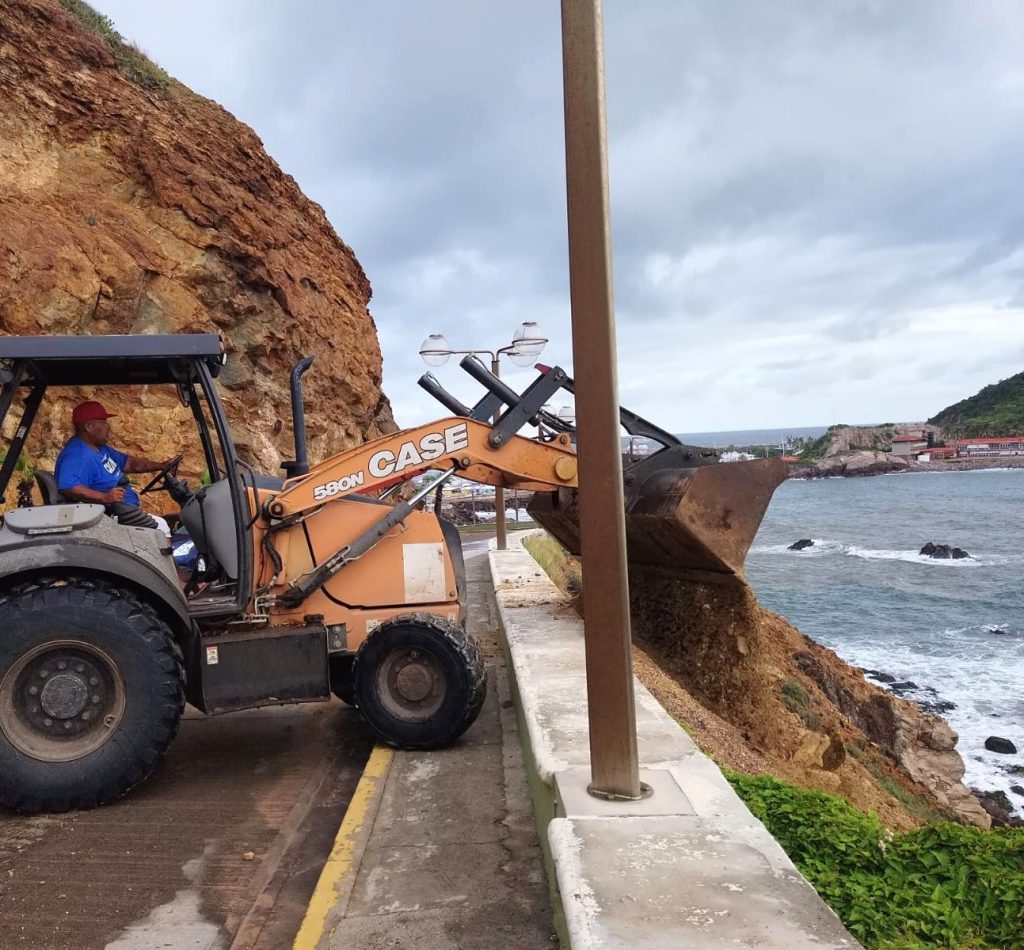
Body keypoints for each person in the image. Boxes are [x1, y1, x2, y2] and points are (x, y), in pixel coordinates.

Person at [55, 401, 177, 535]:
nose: (108, 427)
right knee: (162, 527)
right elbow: (69, 487)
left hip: (125, 511)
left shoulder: (99, 448)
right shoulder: (77, 455)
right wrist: (103, 497)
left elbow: (130, 463)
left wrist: (161, 466)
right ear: (88, 426)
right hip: (112, 518)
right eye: (103, 423)